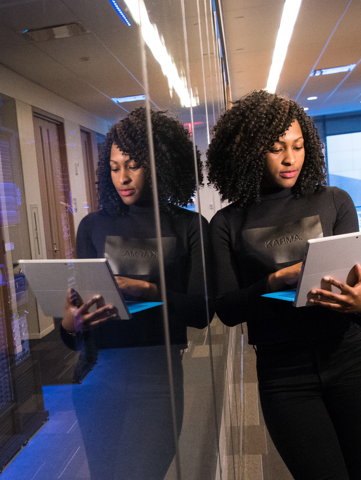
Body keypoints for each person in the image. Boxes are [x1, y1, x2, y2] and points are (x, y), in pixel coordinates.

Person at [207, 90, 361, 480]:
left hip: (349, 357)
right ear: (250, 152)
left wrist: (358, 303)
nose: (290, 158)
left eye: (298, 146)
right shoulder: (227, 222)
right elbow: (227, 308)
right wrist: (274, 280)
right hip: (283, 375)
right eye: (277, 148)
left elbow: (355, 279)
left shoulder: (335, 201)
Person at [59, 107, 212, 479]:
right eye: (114, 168)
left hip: (158, 380)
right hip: (97, 376)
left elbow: (202, 313)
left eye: (133, 166)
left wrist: (149, 290)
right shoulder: (92, 226)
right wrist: (69, 322)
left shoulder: (189, 225)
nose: (122, 178)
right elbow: (75, 330)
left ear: (158, 165)